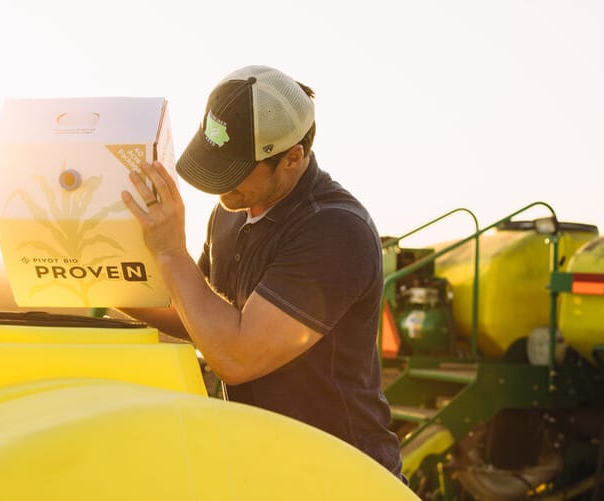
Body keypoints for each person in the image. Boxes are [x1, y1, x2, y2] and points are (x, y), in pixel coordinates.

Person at [120, 65, 404, 481]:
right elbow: (194, 310)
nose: (219, 189)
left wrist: (169, 249)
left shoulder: (335, 231)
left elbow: (237, 355)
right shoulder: (230, 213)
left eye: (233, 173)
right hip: (266, 467)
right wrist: (96, 278)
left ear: (292, 158)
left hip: (340, 476)